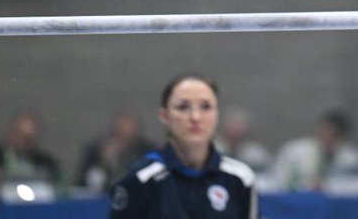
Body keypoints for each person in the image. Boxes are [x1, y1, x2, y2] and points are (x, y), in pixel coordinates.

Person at [109, 73, 257, 219]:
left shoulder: (240, 178)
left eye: (205, 107)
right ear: (164, 116)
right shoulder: (140, 179)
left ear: (216, 114)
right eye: (183, 107)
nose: (195, 117)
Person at [272, 109, 358, 193]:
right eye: (323, 130)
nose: (325, 135)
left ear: (341, 136)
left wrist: (328, 186)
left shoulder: (352, 157)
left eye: (331, 133)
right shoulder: (296, 150)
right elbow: (279, 179)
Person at [78, 111, 157, 194]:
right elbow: (83, 183)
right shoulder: (96, 150)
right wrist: (104, 164)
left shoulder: (148, 150)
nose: (125, 131)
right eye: (120, 130)